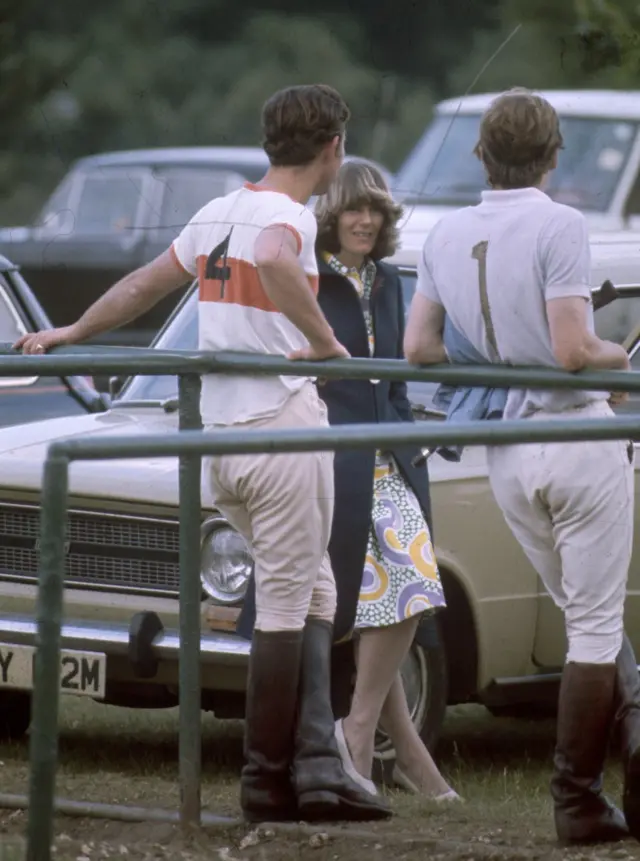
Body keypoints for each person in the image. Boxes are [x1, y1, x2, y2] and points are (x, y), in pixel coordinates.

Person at [14, 84, 390, 825]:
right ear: (332, 148)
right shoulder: (286, 217)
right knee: (288, 601)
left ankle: (317, 770)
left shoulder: (220, 209)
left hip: (223, 438)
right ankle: (265, 780)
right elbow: (280, 261)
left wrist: (72, 331)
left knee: (313, 589)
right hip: (280, 427)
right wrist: (325, 342)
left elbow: (144, 284)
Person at [403, 86, 640, 845]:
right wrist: (618, 355)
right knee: (596, 628)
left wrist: (500, 350)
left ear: (482, 152)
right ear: (553, 153)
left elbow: (420, 349)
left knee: (583, 614)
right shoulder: (560, 223)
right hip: (575, 435)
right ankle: (576, 796)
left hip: (508, 447)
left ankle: (612, 763)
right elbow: (574, 349)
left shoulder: (444, 232)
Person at [238, 160, 459, 800]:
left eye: (376, 210)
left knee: (403, 589)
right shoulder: (308, 276)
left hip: (389, 457)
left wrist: (412, 449)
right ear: (328, 216)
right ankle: (378, 744)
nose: (366, 221)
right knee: (388, 594)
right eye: (353, 209)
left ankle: (363, 736)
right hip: (326, 458)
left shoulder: (390, 283)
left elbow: (394, 382)